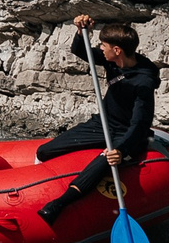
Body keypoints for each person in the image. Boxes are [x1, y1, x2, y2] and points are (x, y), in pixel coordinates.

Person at [35, 15, 161, 225]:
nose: (100, 48)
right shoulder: (111, 60)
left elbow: (140, 124)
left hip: (127, 133)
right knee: (44, 151)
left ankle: (60, 203)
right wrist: (81, 30)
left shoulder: (143, 82)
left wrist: (120, 150)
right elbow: (80, 50)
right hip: (102, 123)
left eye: (104, 45)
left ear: (117, 50)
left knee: (103, 162)